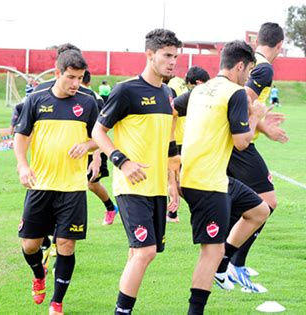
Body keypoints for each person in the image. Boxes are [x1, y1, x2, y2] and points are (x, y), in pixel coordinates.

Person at [92, 28, 181, 314]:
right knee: (145, 251)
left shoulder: (168, 93)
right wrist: (122, 161)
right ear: (150, 54)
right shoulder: (126, 90)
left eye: (175, 56)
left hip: (156, 186)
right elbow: (98, 131)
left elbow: (168, 143)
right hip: (131, 187)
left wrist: (172, 183)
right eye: (167, 55)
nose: (172, 62)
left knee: (138, 253)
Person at [180, 40, 271, 314]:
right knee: (210, 252)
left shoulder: (200, 89)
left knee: (260, 210)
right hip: (207, 183)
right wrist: (256, 115)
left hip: (205, 176)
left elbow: (173, 109)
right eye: (249, 71)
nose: (249, 78)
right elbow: (242, 141)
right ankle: (196, 309)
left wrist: (174, 154)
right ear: (240, 66)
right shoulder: (235, 93)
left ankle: (224, 264)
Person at [13, 49, 99, 315]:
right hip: (40, 185)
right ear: (57, 73)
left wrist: (88, 146)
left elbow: (102, 137)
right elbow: (21, 136)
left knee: (66, 245)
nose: (75, 83)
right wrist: (23, 165)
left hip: (72, 187)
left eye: (80, 77)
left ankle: (57, 302)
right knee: (30, 245)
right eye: (71, 77)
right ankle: (38, 273)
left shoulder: (89, 101)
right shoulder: (36, 99)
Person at [226, 22, 288, 291]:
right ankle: (231, 265)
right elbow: (241, 99)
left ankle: (227, 262)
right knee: (267, 202)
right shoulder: (263, 67)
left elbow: (246, 104)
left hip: (232, 140)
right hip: (237, 143)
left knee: (243, 205)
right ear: (280, 45)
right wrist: (258, 120)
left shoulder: (255, 62)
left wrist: (264, 126)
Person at [166, 66, 210, 223]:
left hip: (174, 139)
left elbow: (170, 111)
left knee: (174, 179)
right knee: (180, 180)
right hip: (186, 138)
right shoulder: (183, 86)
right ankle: (178, 212)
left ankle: (174, 213)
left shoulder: (170, 87)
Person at [81, 70, 118, 225]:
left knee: (92, 183)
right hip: (78, 148)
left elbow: (100, 129)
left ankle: (111, 208)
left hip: (95, 147)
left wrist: (96, 157)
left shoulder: (93, 98)